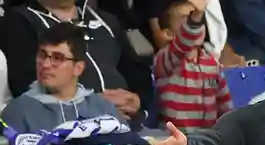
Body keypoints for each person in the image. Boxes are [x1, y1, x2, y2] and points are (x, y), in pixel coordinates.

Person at [0, 0, 153, 125]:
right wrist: (94, 107)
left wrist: (137, 100)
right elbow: (26, 84)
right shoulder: (19, 21)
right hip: (65, 127)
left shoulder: (107, 20)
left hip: (128, 123)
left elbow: (137, 72)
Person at [1, 23, 122, 134]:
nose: (45, 65)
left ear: (78, 68)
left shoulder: (104, 108)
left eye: (57, 58)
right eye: (42, 55)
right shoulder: (18, 111)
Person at [153, 0, 233, 132]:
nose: (197, 25)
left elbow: (225, 107)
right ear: (168, 34)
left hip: (208, 139)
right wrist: (197, 14)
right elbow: (183, 42)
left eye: (200, 20)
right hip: (176, 138)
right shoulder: (164, 60)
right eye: (187, 19)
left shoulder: (213, 64)